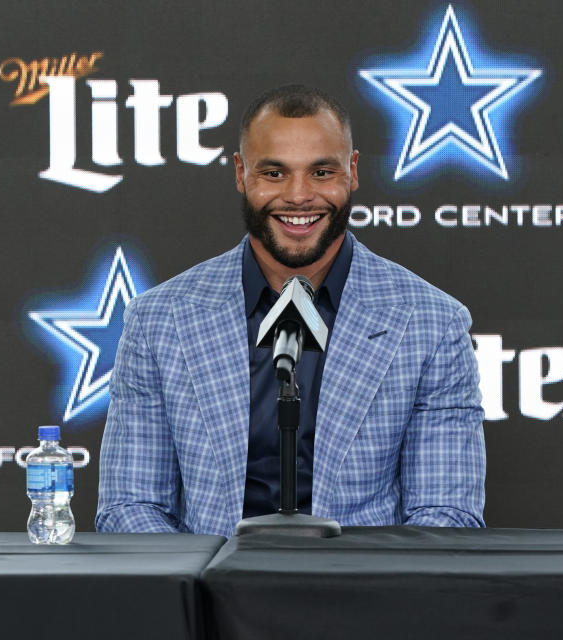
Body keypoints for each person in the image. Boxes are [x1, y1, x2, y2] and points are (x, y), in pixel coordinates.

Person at [96, 85, 486, 536]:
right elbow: (130, 505)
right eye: (275, 173)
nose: (299, 196)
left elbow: (447, 515)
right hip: (211, 594)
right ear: (241, 174)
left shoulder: (432, 323)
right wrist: (209, 588)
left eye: (321, 172)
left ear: (352, 172)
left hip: (364, 596)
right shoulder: (159, 320)